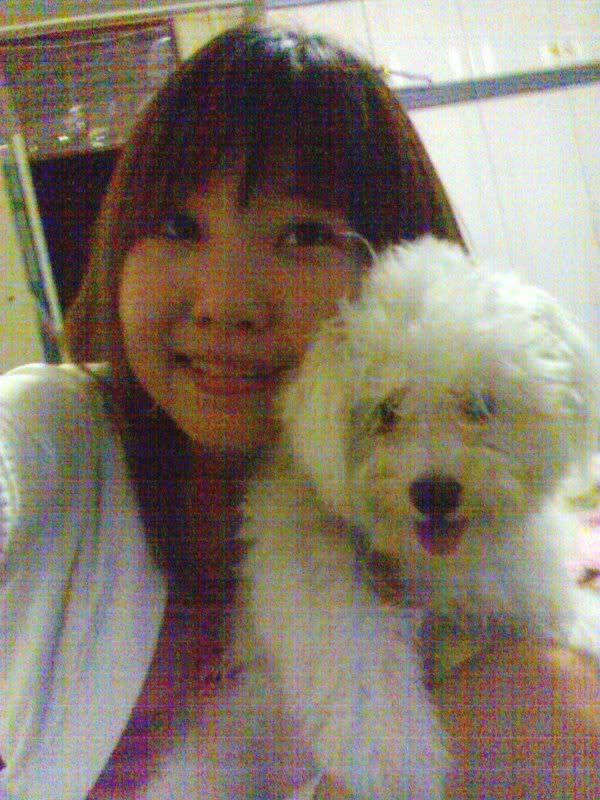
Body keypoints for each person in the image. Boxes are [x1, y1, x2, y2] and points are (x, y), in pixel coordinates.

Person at [0, 23, 597, 800]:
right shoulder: (55, 431)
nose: (226, 302)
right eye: (179, 227)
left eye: (302, 234)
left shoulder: (463, 516)